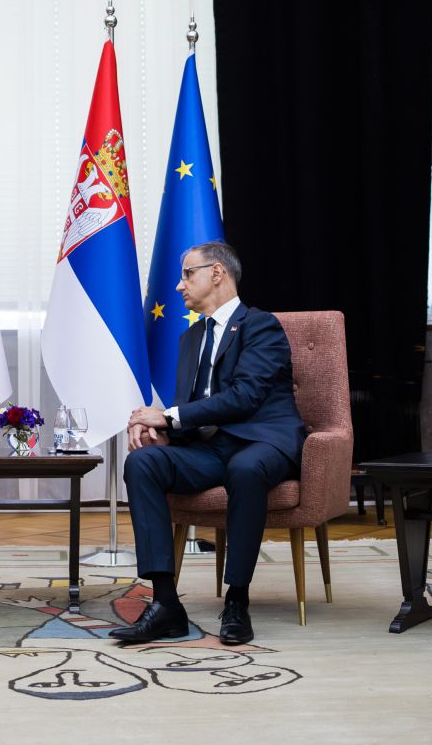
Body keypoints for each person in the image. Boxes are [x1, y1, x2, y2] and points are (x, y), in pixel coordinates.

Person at [109, 241, 305, 646]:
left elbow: (244, 397)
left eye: (187, 274)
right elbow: (196, 408)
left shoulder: (260, 325)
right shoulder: (191, 338)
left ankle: (237, 600)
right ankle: (166, 605)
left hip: (262, 441)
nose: (180, 286)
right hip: (211, 449)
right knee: (142, 463)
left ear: (217, 273)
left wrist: (167, 416)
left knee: (245, 468)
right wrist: (162, 431)